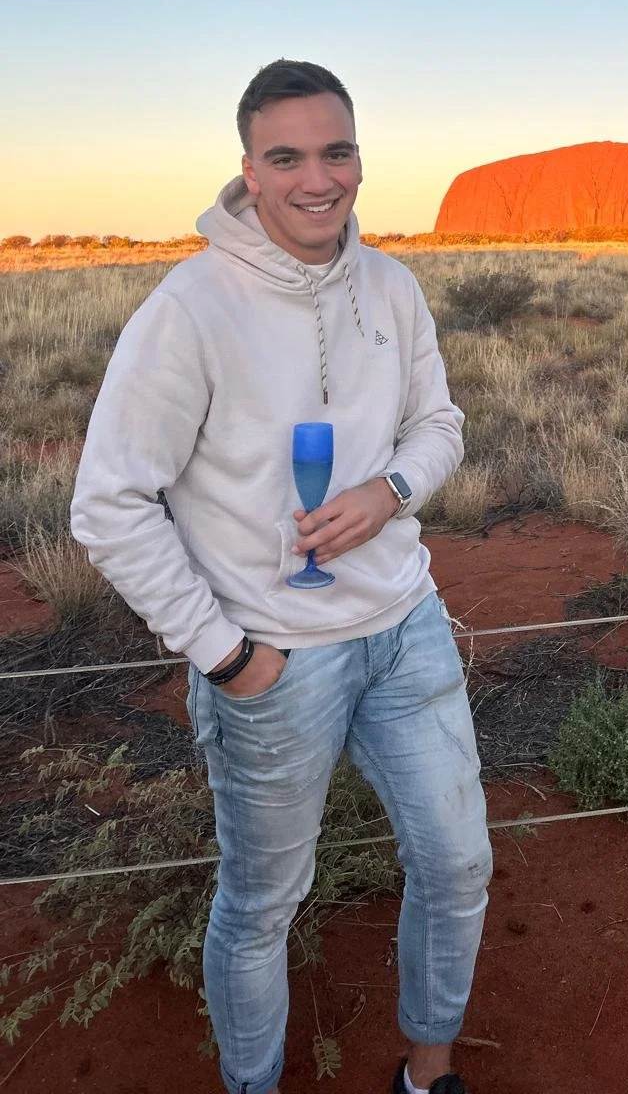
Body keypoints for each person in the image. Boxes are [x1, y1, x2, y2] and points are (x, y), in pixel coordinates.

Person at [71, 59, 490, 1094]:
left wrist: (391, 490)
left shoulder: (390, 286)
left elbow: (439, 424)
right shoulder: (191, 306)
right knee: (262, 904)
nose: (317, 178)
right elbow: (109, 503)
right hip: (275, 659)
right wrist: (226, 655)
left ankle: (428, 1074)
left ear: (360, 159)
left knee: (457, 863)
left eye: (336, 152)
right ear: (249, 171)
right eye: (288, 156)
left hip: (404, 627)